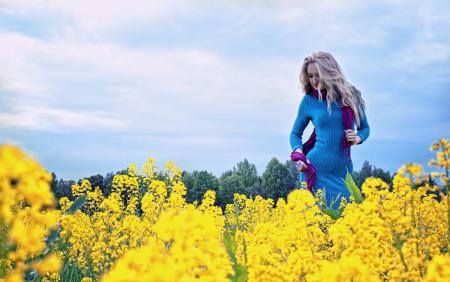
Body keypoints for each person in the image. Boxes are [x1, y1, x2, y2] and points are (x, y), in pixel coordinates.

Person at [290, 51, 370, 209]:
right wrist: (299, 153)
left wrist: (358, 138)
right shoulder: (309, 101)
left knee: (348, 221)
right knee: (318, 225)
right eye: (310, 76)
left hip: (343, 170)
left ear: (329, 72)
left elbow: (365, 128)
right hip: (315, 168)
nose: (314, 80)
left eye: (317, 75)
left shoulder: (350, 96)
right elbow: (295, 134)